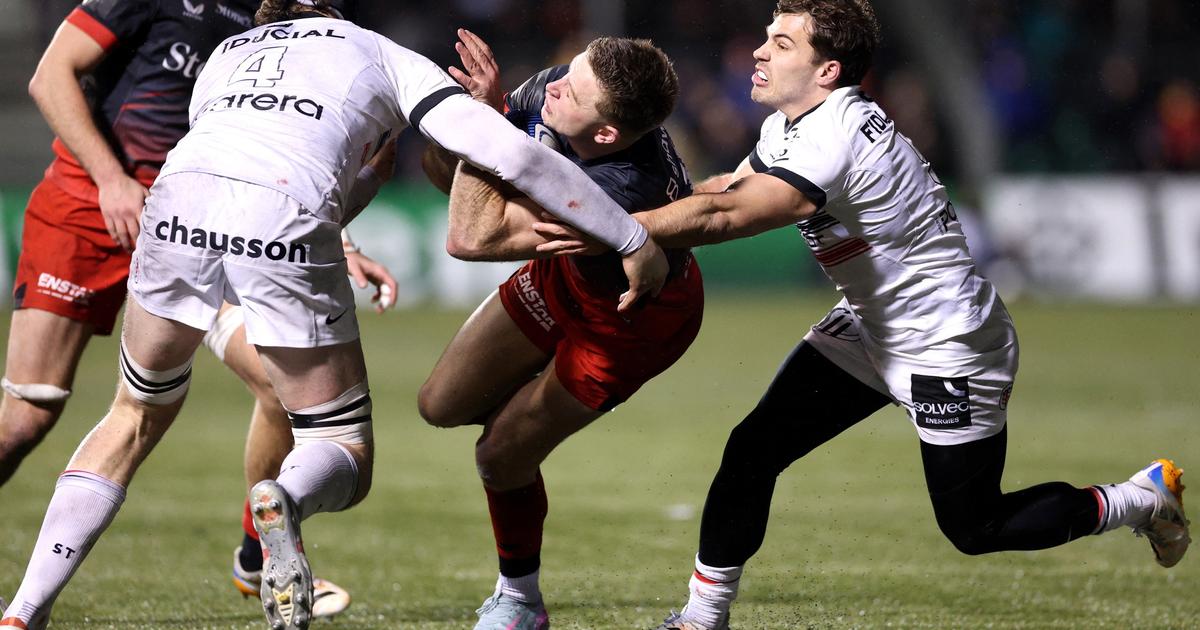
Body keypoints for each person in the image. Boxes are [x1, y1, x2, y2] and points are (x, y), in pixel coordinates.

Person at [0, 0, 670, 628]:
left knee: (133, 412)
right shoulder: (380, 52)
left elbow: (246, 157)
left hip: (172, 208)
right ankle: (282, 502)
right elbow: (508, 151)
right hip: (276, 220)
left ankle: (23, 611)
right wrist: (631, 236)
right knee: (339, 446)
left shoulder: (227, 53)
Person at [534, 2, 1191, 629]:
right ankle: (703, 618)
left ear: (826, 71)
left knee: (974, 526)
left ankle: (1140, 500)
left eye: (782, 43)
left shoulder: (836, 133)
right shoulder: (791, 124)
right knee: (752, 451)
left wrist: (612, 227)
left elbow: (728, 216)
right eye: (767, 35)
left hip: (946, 342)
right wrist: (613, 204)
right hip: (873, 326)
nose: (759, 50)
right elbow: (723, 192)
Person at [0, 0, 390, 618]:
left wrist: (342, 242)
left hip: (198, 226)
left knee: (275, 384)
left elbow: (276, 152)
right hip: (89, 205)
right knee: (26, 417)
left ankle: (258, 559)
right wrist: (109, 179)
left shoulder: (264, 28)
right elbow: (50, 75)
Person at [418, 31, 702, 630]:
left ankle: (520, 600)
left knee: (499, 455)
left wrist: (480, 125)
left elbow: (471, 235)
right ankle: (521, 418)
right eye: (567, 72)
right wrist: (480, 122)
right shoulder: (569, 87)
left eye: (573, 90)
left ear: (604, 134)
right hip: (565, 279)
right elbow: (442, 173)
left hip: (626, 329)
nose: (554, 86)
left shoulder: (617, 196)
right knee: (439, 405)